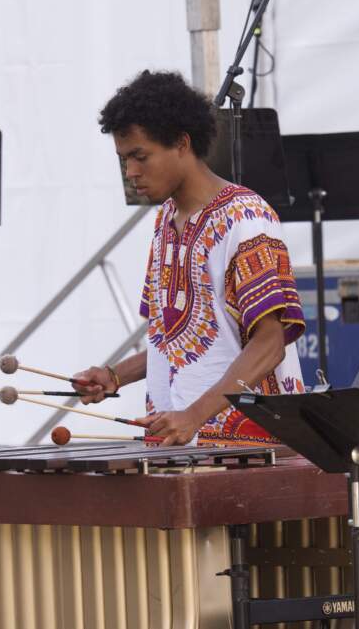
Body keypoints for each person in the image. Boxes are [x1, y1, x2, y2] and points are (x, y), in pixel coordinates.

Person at [73, 70, 305, 446]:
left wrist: (195, 415)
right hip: (180, 445)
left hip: (250, 449)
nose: (130, 172)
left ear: (182, 143)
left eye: (140, 156)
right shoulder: (166, 220)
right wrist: (115, 375)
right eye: (124, 159)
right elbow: (179, 342)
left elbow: (270, 343)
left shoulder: (246, 219)